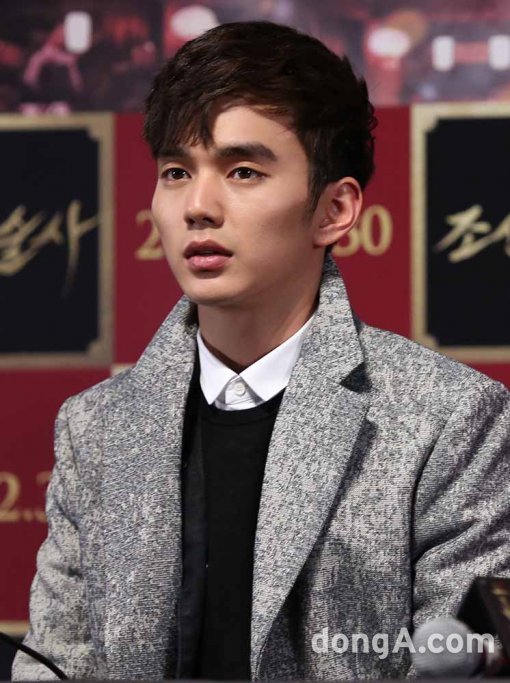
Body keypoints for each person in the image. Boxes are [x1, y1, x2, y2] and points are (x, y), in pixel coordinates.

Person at [13, 20, 510, 681]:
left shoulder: (450, 419)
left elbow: (464, 665)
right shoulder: (95, 426)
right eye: (176, 172)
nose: (198, 206)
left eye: (242, 170)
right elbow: (54, 665)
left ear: (334, 209)